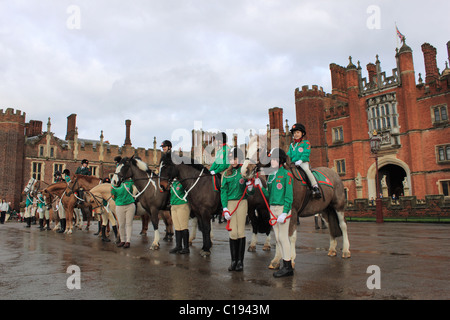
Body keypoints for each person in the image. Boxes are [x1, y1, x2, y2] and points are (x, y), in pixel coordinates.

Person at [256, 148, 294, 278]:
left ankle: (288, 266)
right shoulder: (271, 175)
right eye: (271, 159)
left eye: (275, 159)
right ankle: (285, 264)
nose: (272, 161)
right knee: (277, 238)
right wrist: (261, 186)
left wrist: (285, 212)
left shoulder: (287, 175)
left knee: (283, 238)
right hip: (272, 209)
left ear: (281, 160)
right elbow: (269, 195)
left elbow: (289, 196)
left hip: (282, 209)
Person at [221, 147, 251, 272]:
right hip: (230, 204)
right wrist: (225, 208)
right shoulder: (226, 174)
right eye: (231, 159)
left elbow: (250, 192)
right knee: (232, 233)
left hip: (242, 203)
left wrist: (250, 187)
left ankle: (240, 262)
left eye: (235, 158)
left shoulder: (244, 173)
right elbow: (223, 191)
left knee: (240, 232)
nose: (232, 161)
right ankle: (233, 261)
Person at [288, 123, 321, 198]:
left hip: (303, 162)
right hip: (293, 163)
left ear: (302, 133)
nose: (296, 134)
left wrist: (301, 160)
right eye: (294, 133)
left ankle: (315, 187)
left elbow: (306, 153)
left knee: (306, 170)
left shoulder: (306, 143)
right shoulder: (292, 145)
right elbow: (288, 154)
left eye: (297, 132)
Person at [111, 178, 135, 248]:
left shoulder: (129, 182)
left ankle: (128, 241)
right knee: (121, 224)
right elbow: (113, 196)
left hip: (130, 204)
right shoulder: (114, 185)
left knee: (129, 223)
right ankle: (122, 240)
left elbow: (132, 189)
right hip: (119, 206)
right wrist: (119, 200)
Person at [169, 178, 190, 254]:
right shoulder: (173, 183)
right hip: (174, 206)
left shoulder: (182, 182)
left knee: (183, 226)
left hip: (182, 204)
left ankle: (186, 247)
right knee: (177, 227)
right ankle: (178, 246)